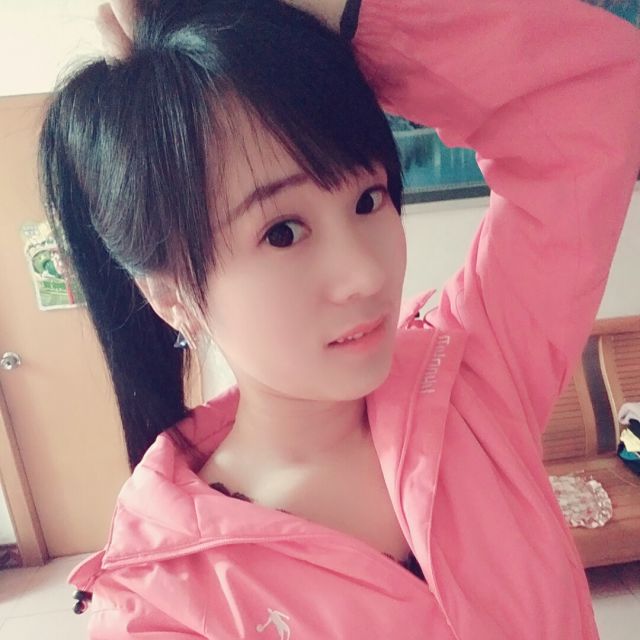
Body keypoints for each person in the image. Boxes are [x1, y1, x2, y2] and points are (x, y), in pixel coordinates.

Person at [38, 0, 640, 638]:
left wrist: (344, 15)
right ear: (171, 293)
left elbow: (592, 98)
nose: (366, 275)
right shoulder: (163, 606)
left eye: (368, 198)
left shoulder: (472, 371)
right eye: (282, 232)